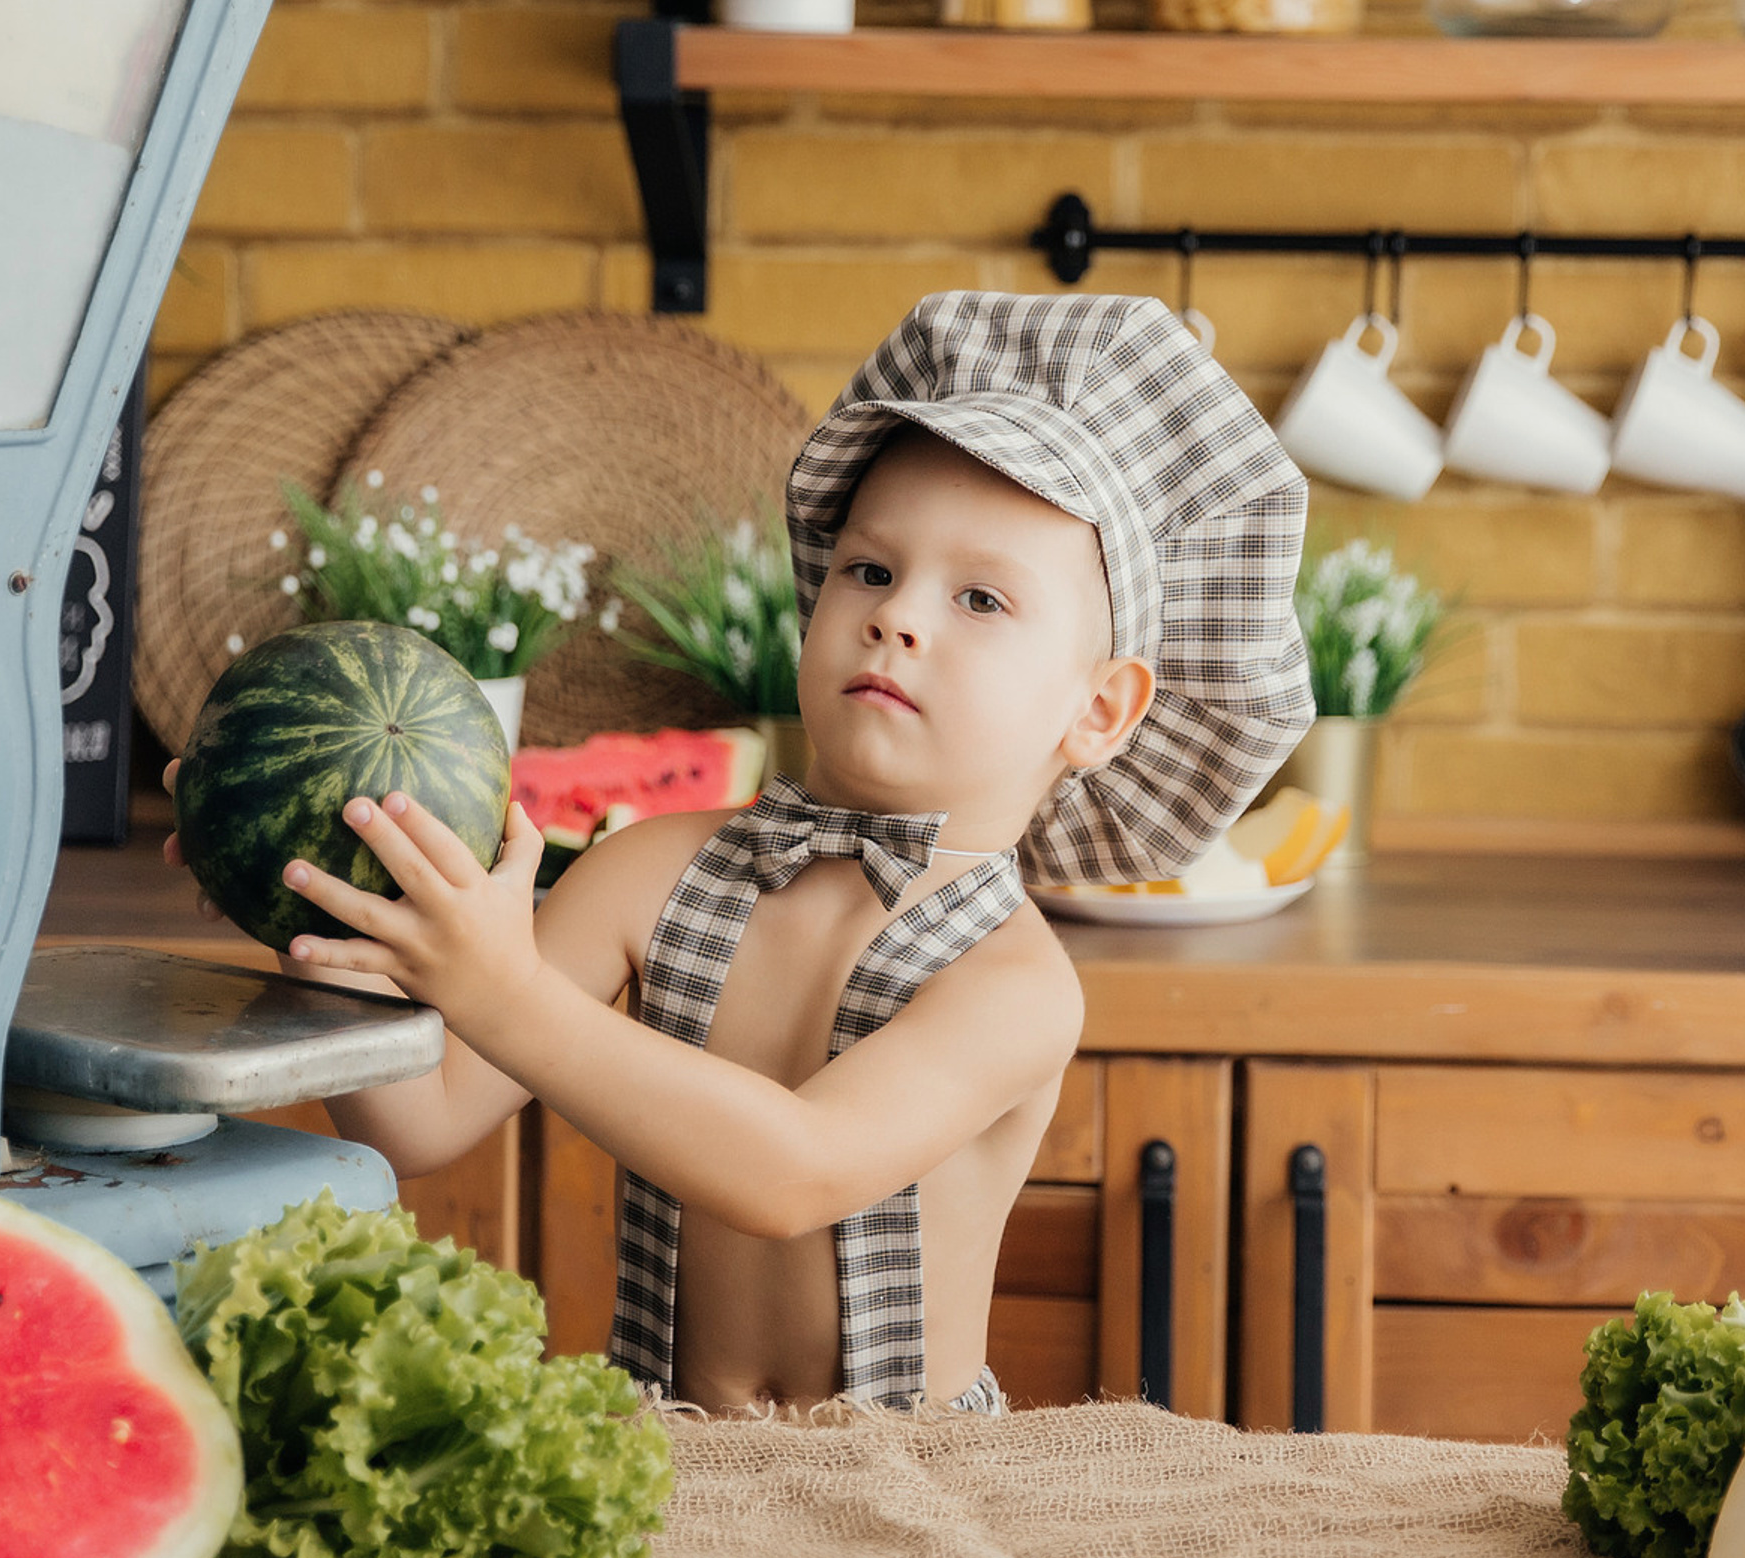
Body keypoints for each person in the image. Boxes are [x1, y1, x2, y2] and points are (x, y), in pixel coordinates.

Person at [172, 292, 1312, 1413]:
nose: (897, 615)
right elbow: (421, 1119)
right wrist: (306, 889)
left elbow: (796, 1170)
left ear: (1101, 712)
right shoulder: (646, 869)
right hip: (677, 1460)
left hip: (912, 1481)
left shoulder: (1014, 984)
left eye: (979, 597)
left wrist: (503, 985)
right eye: (869, 568)